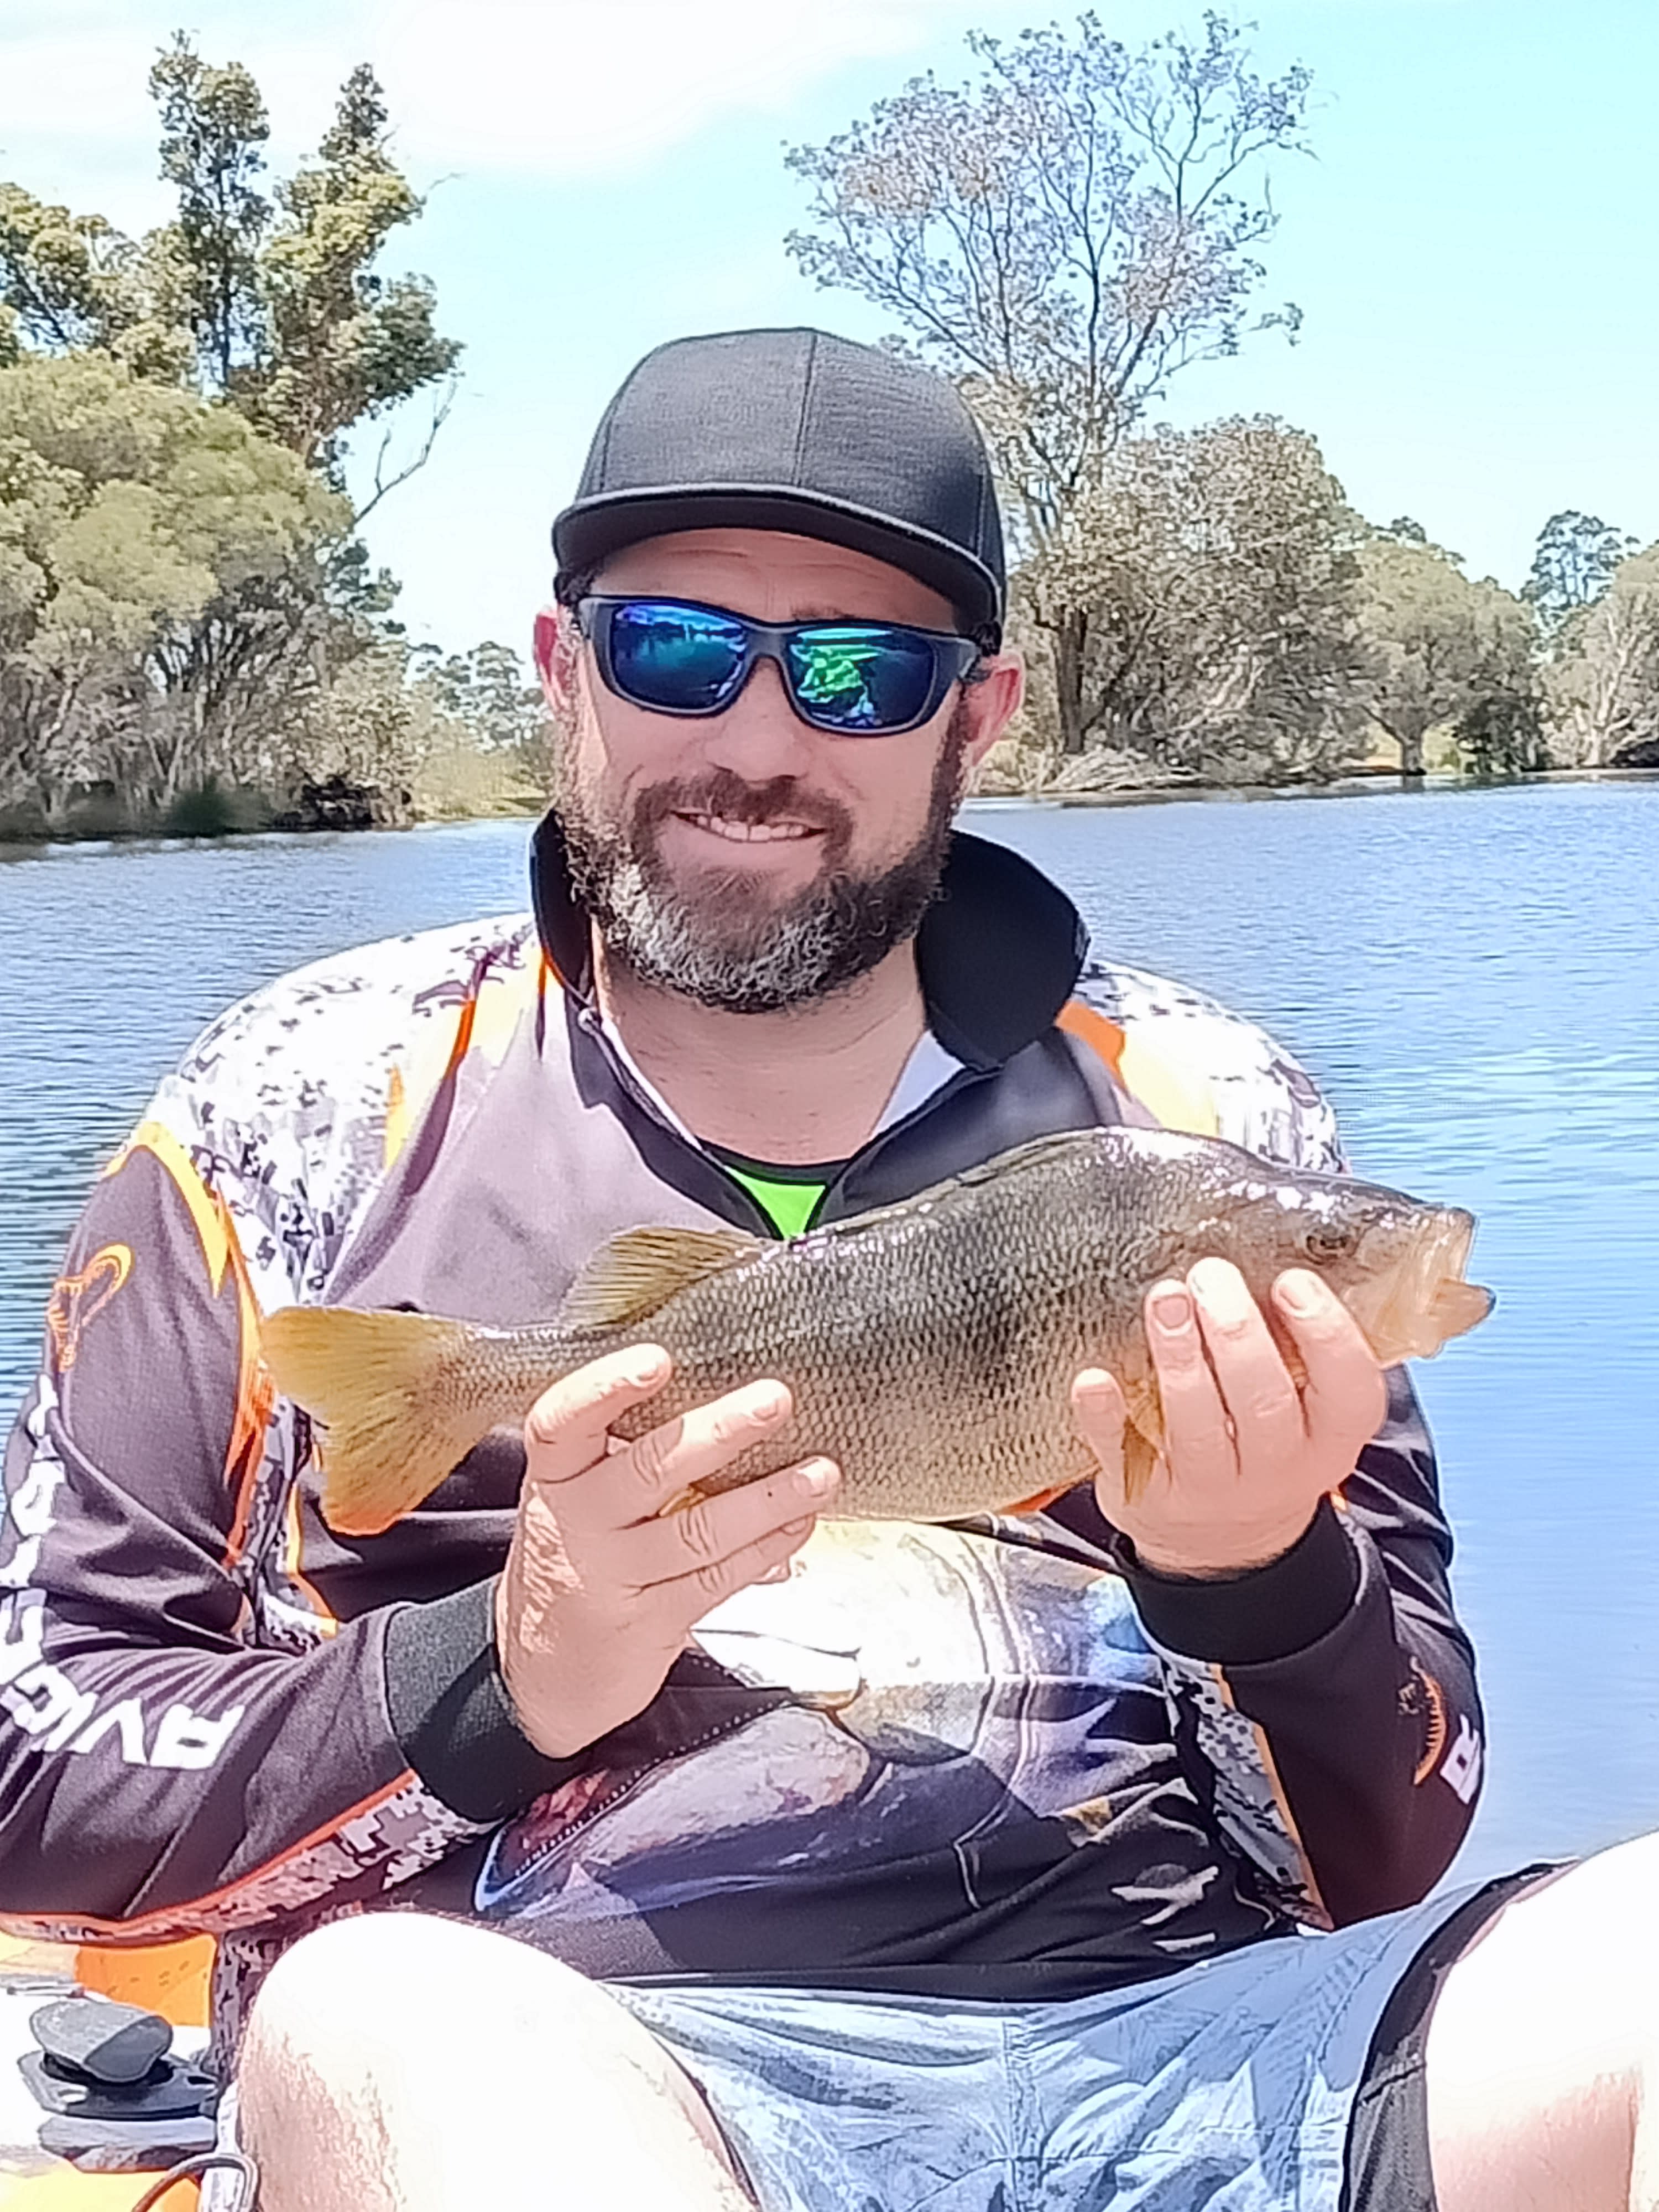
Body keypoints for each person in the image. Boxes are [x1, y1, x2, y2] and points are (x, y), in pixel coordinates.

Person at [0, 328, 1651, 2212]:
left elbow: (1396, 1836)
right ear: (563, 670)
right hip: (557, 2071)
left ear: (982, 715)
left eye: (863, 674)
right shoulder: (288, 1114)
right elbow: (31, 1778)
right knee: (376, 2021)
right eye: (677, 651)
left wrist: (1264, 1577)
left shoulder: (1209, 1116)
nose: (761, 745)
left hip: (1206, 2052)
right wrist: (502, 1670)